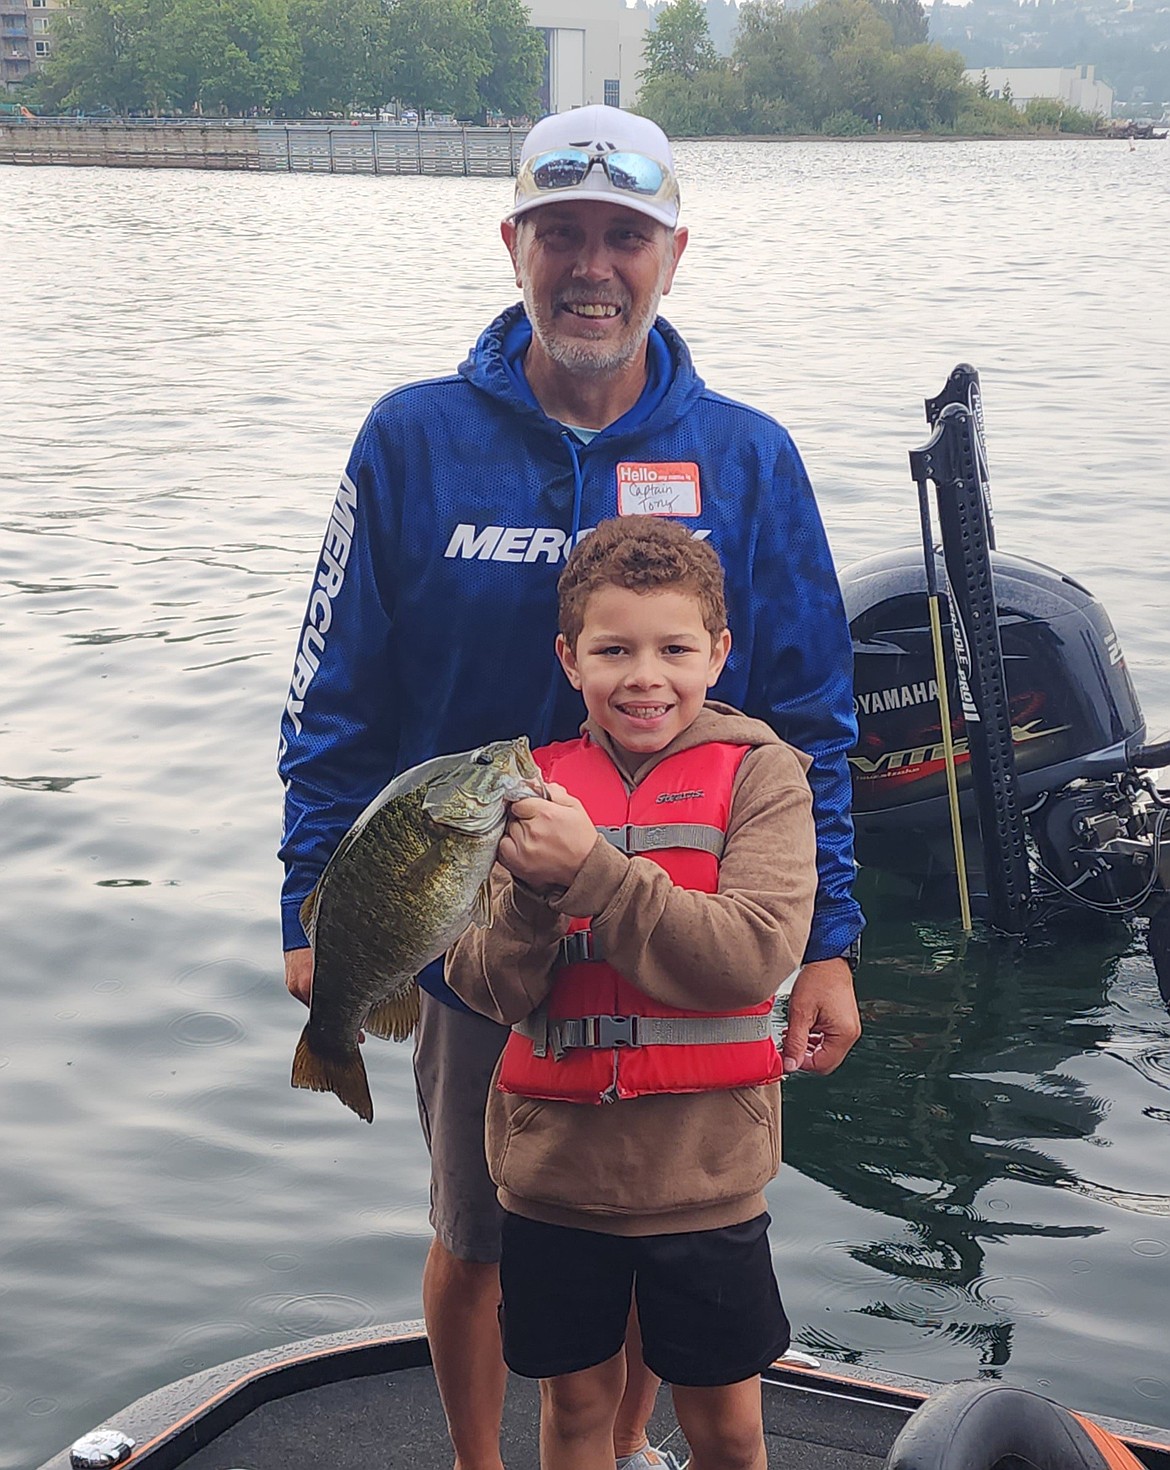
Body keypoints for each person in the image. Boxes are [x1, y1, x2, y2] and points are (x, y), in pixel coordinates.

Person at [277, 103, 863, 1470]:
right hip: (475, 932)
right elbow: (331, 697)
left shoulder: (750, 455)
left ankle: (629, 1443)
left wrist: (827, 940)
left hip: (687, 923)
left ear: (671, 255)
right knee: (479, 1232)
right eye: (561, 236)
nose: (590, 266)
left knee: (660, 1228)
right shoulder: (410, 440)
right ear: (514, 245)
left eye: (622, 237)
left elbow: (815, 713)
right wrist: (309, 908)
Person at [445, 515, 820, 1470]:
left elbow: (754, 954)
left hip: (705, 1179)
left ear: (719, 653)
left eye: (674, 648)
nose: (644, 675)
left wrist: (594, 876)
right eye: (613, 649)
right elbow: (485, 985)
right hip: (557, 1178)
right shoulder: (525, 788)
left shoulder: (763, 776)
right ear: (569, 659)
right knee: (575, 1414)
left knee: (729, 1429)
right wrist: (534, 897)